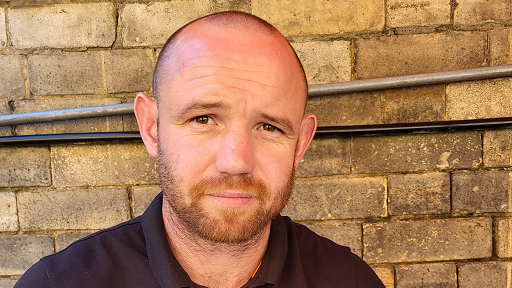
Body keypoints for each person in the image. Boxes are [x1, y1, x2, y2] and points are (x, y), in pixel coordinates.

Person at [15, 11, 384, 288]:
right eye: (204, 119)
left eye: (269, 127)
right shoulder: (58, 283)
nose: (236, 161)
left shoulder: (349, 280)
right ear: (151, 128)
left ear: (301, 142)